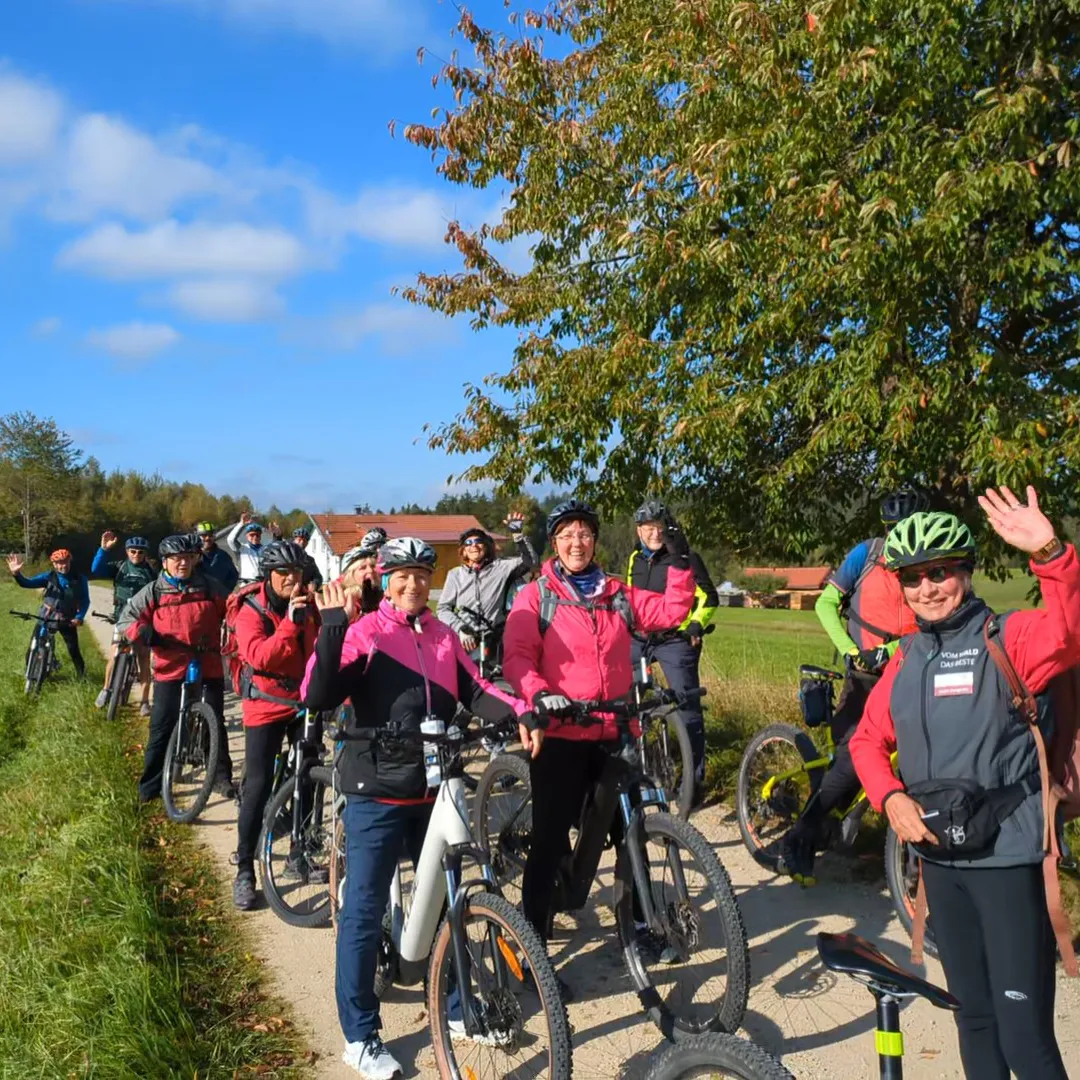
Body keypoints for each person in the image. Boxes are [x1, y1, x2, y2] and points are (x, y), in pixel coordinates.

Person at [850, 489, 1077, 1080]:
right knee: (972, 1020)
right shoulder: (904, 660)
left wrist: (1050, 553)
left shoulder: (1010, 640)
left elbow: (1070, 632)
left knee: (1025, 1038)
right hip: (940, 864)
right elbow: (865, 742)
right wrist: (890, 795)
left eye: (941, 572)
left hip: (1006, 862)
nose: (927, 588)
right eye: (914, 577)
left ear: (965, 572)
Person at [301, 538, 535, 1079]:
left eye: (422, 575)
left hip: (431, 789)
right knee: (362, 911)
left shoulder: (441, 634)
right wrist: (333, 625)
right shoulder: (365, 633)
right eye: (401, 575)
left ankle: (455, 1009)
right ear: (384, 580)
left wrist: (523, 713)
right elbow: (319, 694)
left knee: (443, 898)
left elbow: (475, 690)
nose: (412, 585)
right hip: (376, 791)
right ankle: (360, 1037)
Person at [501, 499, 695, 990]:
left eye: (585, 533)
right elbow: (519, 655)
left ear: (595, 540)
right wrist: (539, 693)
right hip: (562, 733)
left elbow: (671, 611)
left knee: (632, 832)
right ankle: (533, 952)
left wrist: (680, 559)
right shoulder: (537, 596)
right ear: (555, 542)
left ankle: (646, 923)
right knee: (548, 843)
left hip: (612, 729)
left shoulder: (617, 595)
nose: (577, 542)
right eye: (567, 533)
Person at [777, 488, 929, 884]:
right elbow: (827, 604)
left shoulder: (929, 566)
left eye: (909, 527)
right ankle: (800, 841)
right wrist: (852, 651)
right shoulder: (867, 554)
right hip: (864, 677)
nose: (900, 535)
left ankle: (916, 865)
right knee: (851, 762)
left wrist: (895, 648)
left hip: (911, 674)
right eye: (895, 528)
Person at [232, 541, 320, 911]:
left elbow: (320, 650)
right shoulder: (250, 609)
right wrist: (288, 625)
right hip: (265, 703)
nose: (290, 580)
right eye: (283, 573)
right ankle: (245, 868)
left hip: (303, 703)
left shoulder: (309, 604)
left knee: (310, 775)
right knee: (257, 784)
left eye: (296, 573)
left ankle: (302, 849)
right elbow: (259, 656)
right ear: (268, 575)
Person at [118, 533, 235, 802]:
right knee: (161, 726)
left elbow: (233, 610)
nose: (183, 563)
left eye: (188, 558)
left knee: (215, 721)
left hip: (208, 661)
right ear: (165, 562)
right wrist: (143, 632)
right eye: (176, 559)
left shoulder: (208, 586)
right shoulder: (154, 591)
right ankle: (150, 786)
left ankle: (220, 777)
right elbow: (126, 620)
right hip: (170, 666)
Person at [626, 498, 718, 798]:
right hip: (640, 638)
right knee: (625, 701)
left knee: (686, 705)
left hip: (675, 640)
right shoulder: (634, 560)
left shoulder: (685, 556)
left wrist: (695, 624)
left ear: (668, 527)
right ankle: (638, 765)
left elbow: (710, 597)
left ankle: (693, 781)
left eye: (659, 527)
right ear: (639, 530)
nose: (654, 534)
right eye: (647, 528)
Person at [437, 513, 537, 666]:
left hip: (495, 638)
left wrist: (518, 534)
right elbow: (443, 609)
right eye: (468, 543)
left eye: (478, 541)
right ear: (463, 551)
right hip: (465, 638)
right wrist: (461, 629)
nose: (474, 545)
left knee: (500, 681)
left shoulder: (501, 567)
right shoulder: (455, 574)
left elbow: (531, 562)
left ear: (486, 546)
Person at [91, 531, 155, 714]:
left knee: (143, 658)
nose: (136, 555)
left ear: (145, 554)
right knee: (115, 653)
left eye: (140, 552)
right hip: (122, 618)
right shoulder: (119, 567)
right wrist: (103, 550)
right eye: (133, 551)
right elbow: (96, 570)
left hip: (143, 620)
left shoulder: (151, 572)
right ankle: (105, 689)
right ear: (127, 552)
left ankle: (144, 701)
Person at [6, 547, 90, 678]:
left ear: (69, 562)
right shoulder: (48, 577)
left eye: (65, 562)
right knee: (33, 645)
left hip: (67, 618)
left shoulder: (79, 579)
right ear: (54, 564)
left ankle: (82, 677)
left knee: (73, 649)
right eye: (59, 562)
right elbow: (27, 583)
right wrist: (17, 574)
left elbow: (85, 600)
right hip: (46, 615)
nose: (62, 565)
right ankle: (29, 673)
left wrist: (79, 617)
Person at [335, 529, 387, 615]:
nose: (370, 570)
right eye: (363, 568)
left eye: (373, 566)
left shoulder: (386, 592)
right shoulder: (343, 599)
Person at [196, 521, 239, 592]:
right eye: (204, 535)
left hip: (220, 599)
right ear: (197, 536)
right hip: (199, 598)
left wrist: (224, 591)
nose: (207, 538)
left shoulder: (223, 556)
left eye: (210, 535)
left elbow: (233, 576)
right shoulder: (192, 557)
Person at [226, 513, 265, 584]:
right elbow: (230, 540)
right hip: (246, 585)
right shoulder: (242, 548)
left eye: (257, 535)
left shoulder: (265, 550)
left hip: (262, 585)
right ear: (247, 536)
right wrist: (241, 524)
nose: (255, 537)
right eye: (252, 535)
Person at [291, 525, 324, 590]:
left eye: (305, 540)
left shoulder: (310, 560)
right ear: (293, 541)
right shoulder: (287, 557)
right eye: (299, 540)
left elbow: (318, 577)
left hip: (304, 595)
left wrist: (315, 584)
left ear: (307, 543)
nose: (302, 542)